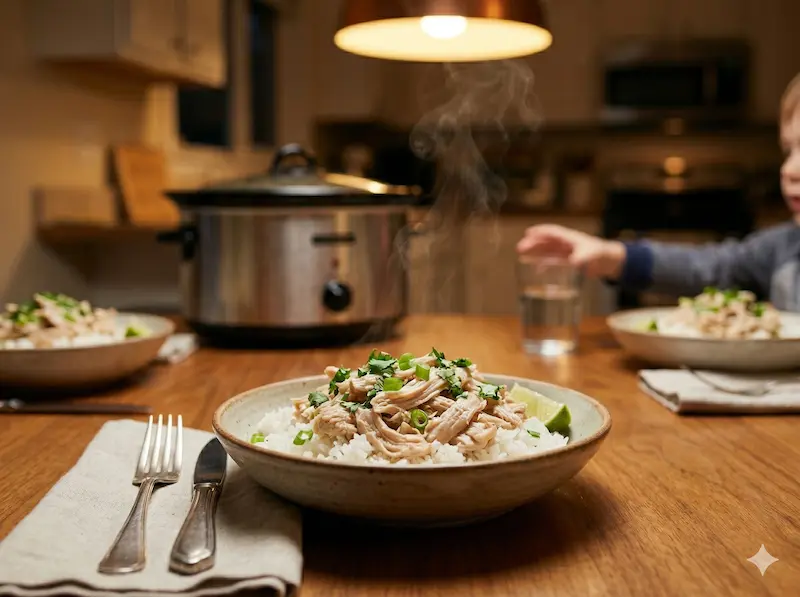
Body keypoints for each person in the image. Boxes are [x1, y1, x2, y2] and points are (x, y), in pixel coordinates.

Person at [516, 73, 800, 311]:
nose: (790, 169)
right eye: (789, 150)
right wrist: (610, 255)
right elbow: (709, 268)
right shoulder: (784, 246)